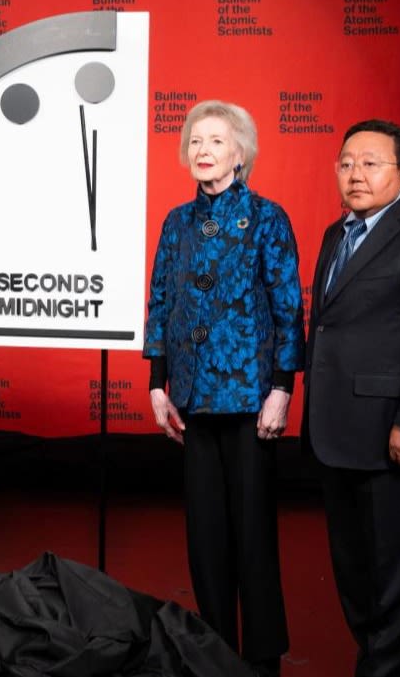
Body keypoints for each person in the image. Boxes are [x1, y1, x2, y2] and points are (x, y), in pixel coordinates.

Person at [143, 100, 304, 677]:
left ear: (240, 152)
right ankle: (215, 651)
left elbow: (289, 307)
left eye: (215, 141)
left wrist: (283, 388)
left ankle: (262, 659)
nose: (203, 151)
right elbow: (160, 301)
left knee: (253, 536)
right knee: (205, 537)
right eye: (194, 142)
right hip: (193, 397)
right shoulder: (176, 222)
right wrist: (158, 384)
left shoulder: (267, 217)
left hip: (250, 399)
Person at [302, 120, 400, 677]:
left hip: (394, 436)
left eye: (371, 163)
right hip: (338, 434)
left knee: (394, 581)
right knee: (355, 575)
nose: (355, 174)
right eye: (346, 163)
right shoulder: (334, 234)